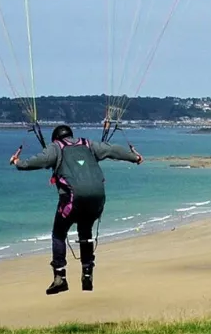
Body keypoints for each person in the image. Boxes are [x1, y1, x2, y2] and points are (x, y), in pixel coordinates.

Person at [11, 123, 143, 294]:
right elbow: (113, 150)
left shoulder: (55, 148)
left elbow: (39, 161)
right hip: (98, 199)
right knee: (85, 229)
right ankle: (87, 273)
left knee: (59, 233)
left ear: (55, 138)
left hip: (73, 199)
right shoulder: (88, 144)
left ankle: (60, 277)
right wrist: (135, 157)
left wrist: (18, 163)